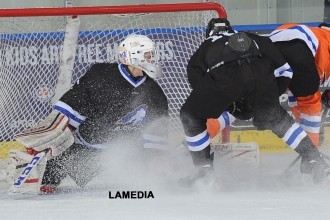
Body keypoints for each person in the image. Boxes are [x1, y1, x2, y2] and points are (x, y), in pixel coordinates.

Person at [10, 34, 169, 194]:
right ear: (133, 56)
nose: (152, 59)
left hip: (124, 151)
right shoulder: (102, 75)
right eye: (148, 55)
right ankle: (49, 173)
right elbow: (73, 106)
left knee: (151, 181)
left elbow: (155, 134)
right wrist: (54, 136)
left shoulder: (155, 92)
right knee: (48, 180)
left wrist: (156, 161)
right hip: (88, 147)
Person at [180, 18, 330, 185]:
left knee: (191, 115)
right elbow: (286, 70)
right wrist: (271, 101)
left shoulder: (206, 46)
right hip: (262, 71)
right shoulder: (250, 37)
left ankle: (203, 169)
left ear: (208, 34)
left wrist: (226, 104)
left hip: (232, 75)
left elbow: (199, 84)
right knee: (279, 117)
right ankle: (314, 160)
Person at [268, 23, 330, 173]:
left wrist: (306, 132)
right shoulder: (325, 40)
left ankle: (201, 151)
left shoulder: (318, 34)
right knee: (310, 102)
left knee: (255, 102)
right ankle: (312, 161)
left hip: (268, 48)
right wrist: (313, 134)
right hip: (299, 47)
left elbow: (295, 92)